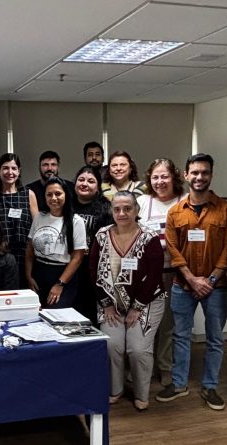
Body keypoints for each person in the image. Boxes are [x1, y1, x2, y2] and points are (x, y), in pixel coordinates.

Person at [156, 153, 227, 411]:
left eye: (204, 172)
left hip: (216, 287)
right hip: (183, 285)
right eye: (194, 172)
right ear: (186, 175)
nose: (199, 177)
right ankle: (179, 383)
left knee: (215, 338)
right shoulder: (175, 212)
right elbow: (173, 249)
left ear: (211, 175)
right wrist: (192, 279)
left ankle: (210, 386)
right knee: (181, 335)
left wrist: (211, 279)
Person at [91, 192, 166, 411]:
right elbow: (93, 271)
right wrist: (106, 304)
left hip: (147, 302)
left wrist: (137, 307)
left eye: (127, 208)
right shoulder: (102, 235)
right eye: (117, 209)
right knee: (112, 344)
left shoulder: (149, 237)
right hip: (111, 304)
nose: (122, 213)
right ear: (111, 211)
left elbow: (154, 276)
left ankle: (141, 394)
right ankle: (115, 389)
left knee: (138, 349)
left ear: (136, 210)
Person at [139, 158, 185, 387]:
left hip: (174, 273)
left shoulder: (184, 201)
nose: (160, 181)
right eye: (155, 177)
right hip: (146, 274)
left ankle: (165, 366)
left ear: (174, 177)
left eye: (164, 176)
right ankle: (143, 367)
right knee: (144, 321)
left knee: (168, 323)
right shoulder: (142, 201)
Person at [25, 177, 87, 309]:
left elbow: (78, 257)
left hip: (62, 275)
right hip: (38, 273)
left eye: (58, 194)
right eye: (49, 194)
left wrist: (60, 283)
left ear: (66, 195)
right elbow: (30, 249)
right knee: (35, 315)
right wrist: (29, 276)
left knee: (55, 316)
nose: (53, 198)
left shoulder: (76, 221)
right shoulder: (40, 217)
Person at [0, 153, 39, 287]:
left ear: (19, 171)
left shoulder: (28, 194)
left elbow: (37, 228)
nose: (10, 172)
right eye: (5, 168)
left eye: (14, 168)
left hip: (25, 257)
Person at [70, 165, 112, 324]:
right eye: (81, 179)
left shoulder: (106, 208)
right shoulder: (66, 205)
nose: (84, 184)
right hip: (68, 267)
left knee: (89, 313)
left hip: (93, 269)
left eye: (90, 181)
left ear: (98, 186)